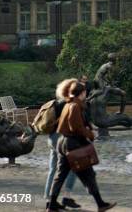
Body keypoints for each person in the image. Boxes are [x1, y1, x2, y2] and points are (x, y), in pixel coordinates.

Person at [47, 81, 115, 212]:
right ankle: (101, 204)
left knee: (60, 175)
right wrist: (90, 134)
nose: (86, 94)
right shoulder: (75, 106)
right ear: (82, 93)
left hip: (63, 142)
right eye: (85, 92)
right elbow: (76, 127)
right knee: (88, 174)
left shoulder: (68, 104)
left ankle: (52, 205)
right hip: (73, 144)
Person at [44, 79, 80, 209]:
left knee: (53, 169)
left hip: (52, 138)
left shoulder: (56, 103)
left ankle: (49, 200)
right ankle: (66, 197)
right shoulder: (69, 104)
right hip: (62, 139)